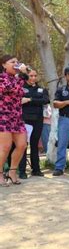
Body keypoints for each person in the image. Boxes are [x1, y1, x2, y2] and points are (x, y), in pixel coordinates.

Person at [0, 55, 28, 186]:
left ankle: (12, 171)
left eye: (17, 62)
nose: (16, 64)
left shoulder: (17, 79)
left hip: (17, 117)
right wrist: (22, 75)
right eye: (12, 62)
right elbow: (10, 88)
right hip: (3, 116)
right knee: (5, 147)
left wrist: (22, 76)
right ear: (4, 65)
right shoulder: (1, 78)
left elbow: (21, 89)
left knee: (22, 145)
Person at [18, 68, 49, 179]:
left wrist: (30, 99)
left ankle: (36, 169)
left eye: (35, 75)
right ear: (26, 76)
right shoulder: (21, 88)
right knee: (23, 145)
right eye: (31, 76)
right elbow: (19, 100)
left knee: (35, 145)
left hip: (38, 120)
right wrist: (33, 99)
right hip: (24, 119)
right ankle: (21, 171)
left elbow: (45, 100)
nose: (33, 78)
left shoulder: (41, 89)